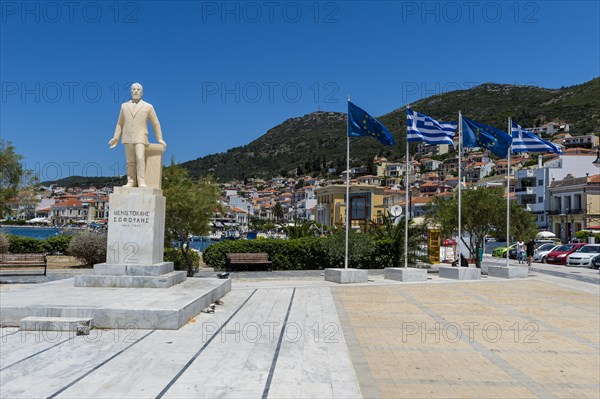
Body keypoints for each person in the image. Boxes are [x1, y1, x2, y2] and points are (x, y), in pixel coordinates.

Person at [108, 83, 166, 188]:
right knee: (130, 160)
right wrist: (116, 138)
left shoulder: (148, 106)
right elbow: (120, 123)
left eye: (138, 89)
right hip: (127, 137)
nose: (135, 91)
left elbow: (155, 123)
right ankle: (131, 181)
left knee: (140, 158)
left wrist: (159, 138)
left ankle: (141, 181)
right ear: (130, 92)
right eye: (133, 89)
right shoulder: (124, 106)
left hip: (141, 137)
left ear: (142, 92)